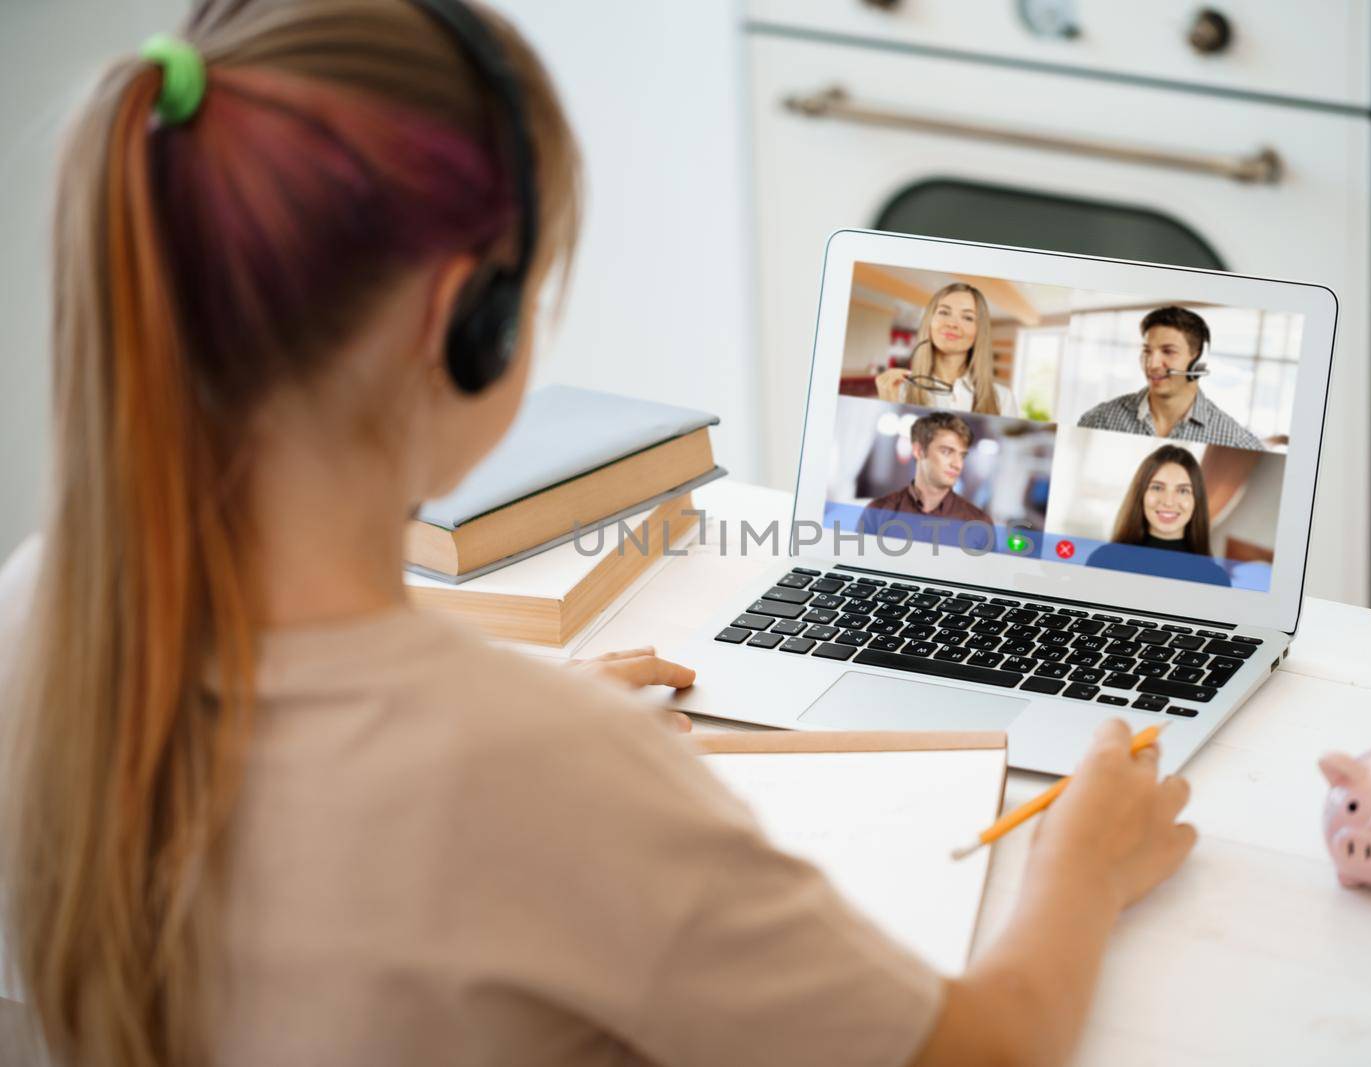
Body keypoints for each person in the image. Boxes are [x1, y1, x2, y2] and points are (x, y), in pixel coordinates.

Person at [0, 4, 1194, 1066]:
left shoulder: (41, 606)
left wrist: (537, 715)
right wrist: (1083, 865)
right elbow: (977, 1049)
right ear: (464, 320)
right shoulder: (543, 771)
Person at [1076, 305, 1264, 450]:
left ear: (1199, 360)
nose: (1152, 364)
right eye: (1147, 351)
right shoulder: (1099, 419)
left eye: (1168, 351)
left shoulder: (1238, 441)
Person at [1086, 445, 1232, 587]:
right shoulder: (1104, 560)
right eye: (1157, 487)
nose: (1168, 502)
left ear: (1196, 500)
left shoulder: (1215, 579)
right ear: (1141, 494)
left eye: (1182, 491)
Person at [874, 283, 1021, 418]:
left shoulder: (1003, 399)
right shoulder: (897, 390)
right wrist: (887, 405)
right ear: (929, 321)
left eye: (968, 318)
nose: (952, 324)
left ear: (979, 331)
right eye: (944, 312)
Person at [859, 412, 993, 539]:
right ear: (919, 451)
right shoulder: (877, 512)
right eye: (946, 452)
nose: (958, 464)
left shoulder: (980, 524)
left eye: (962, 455)